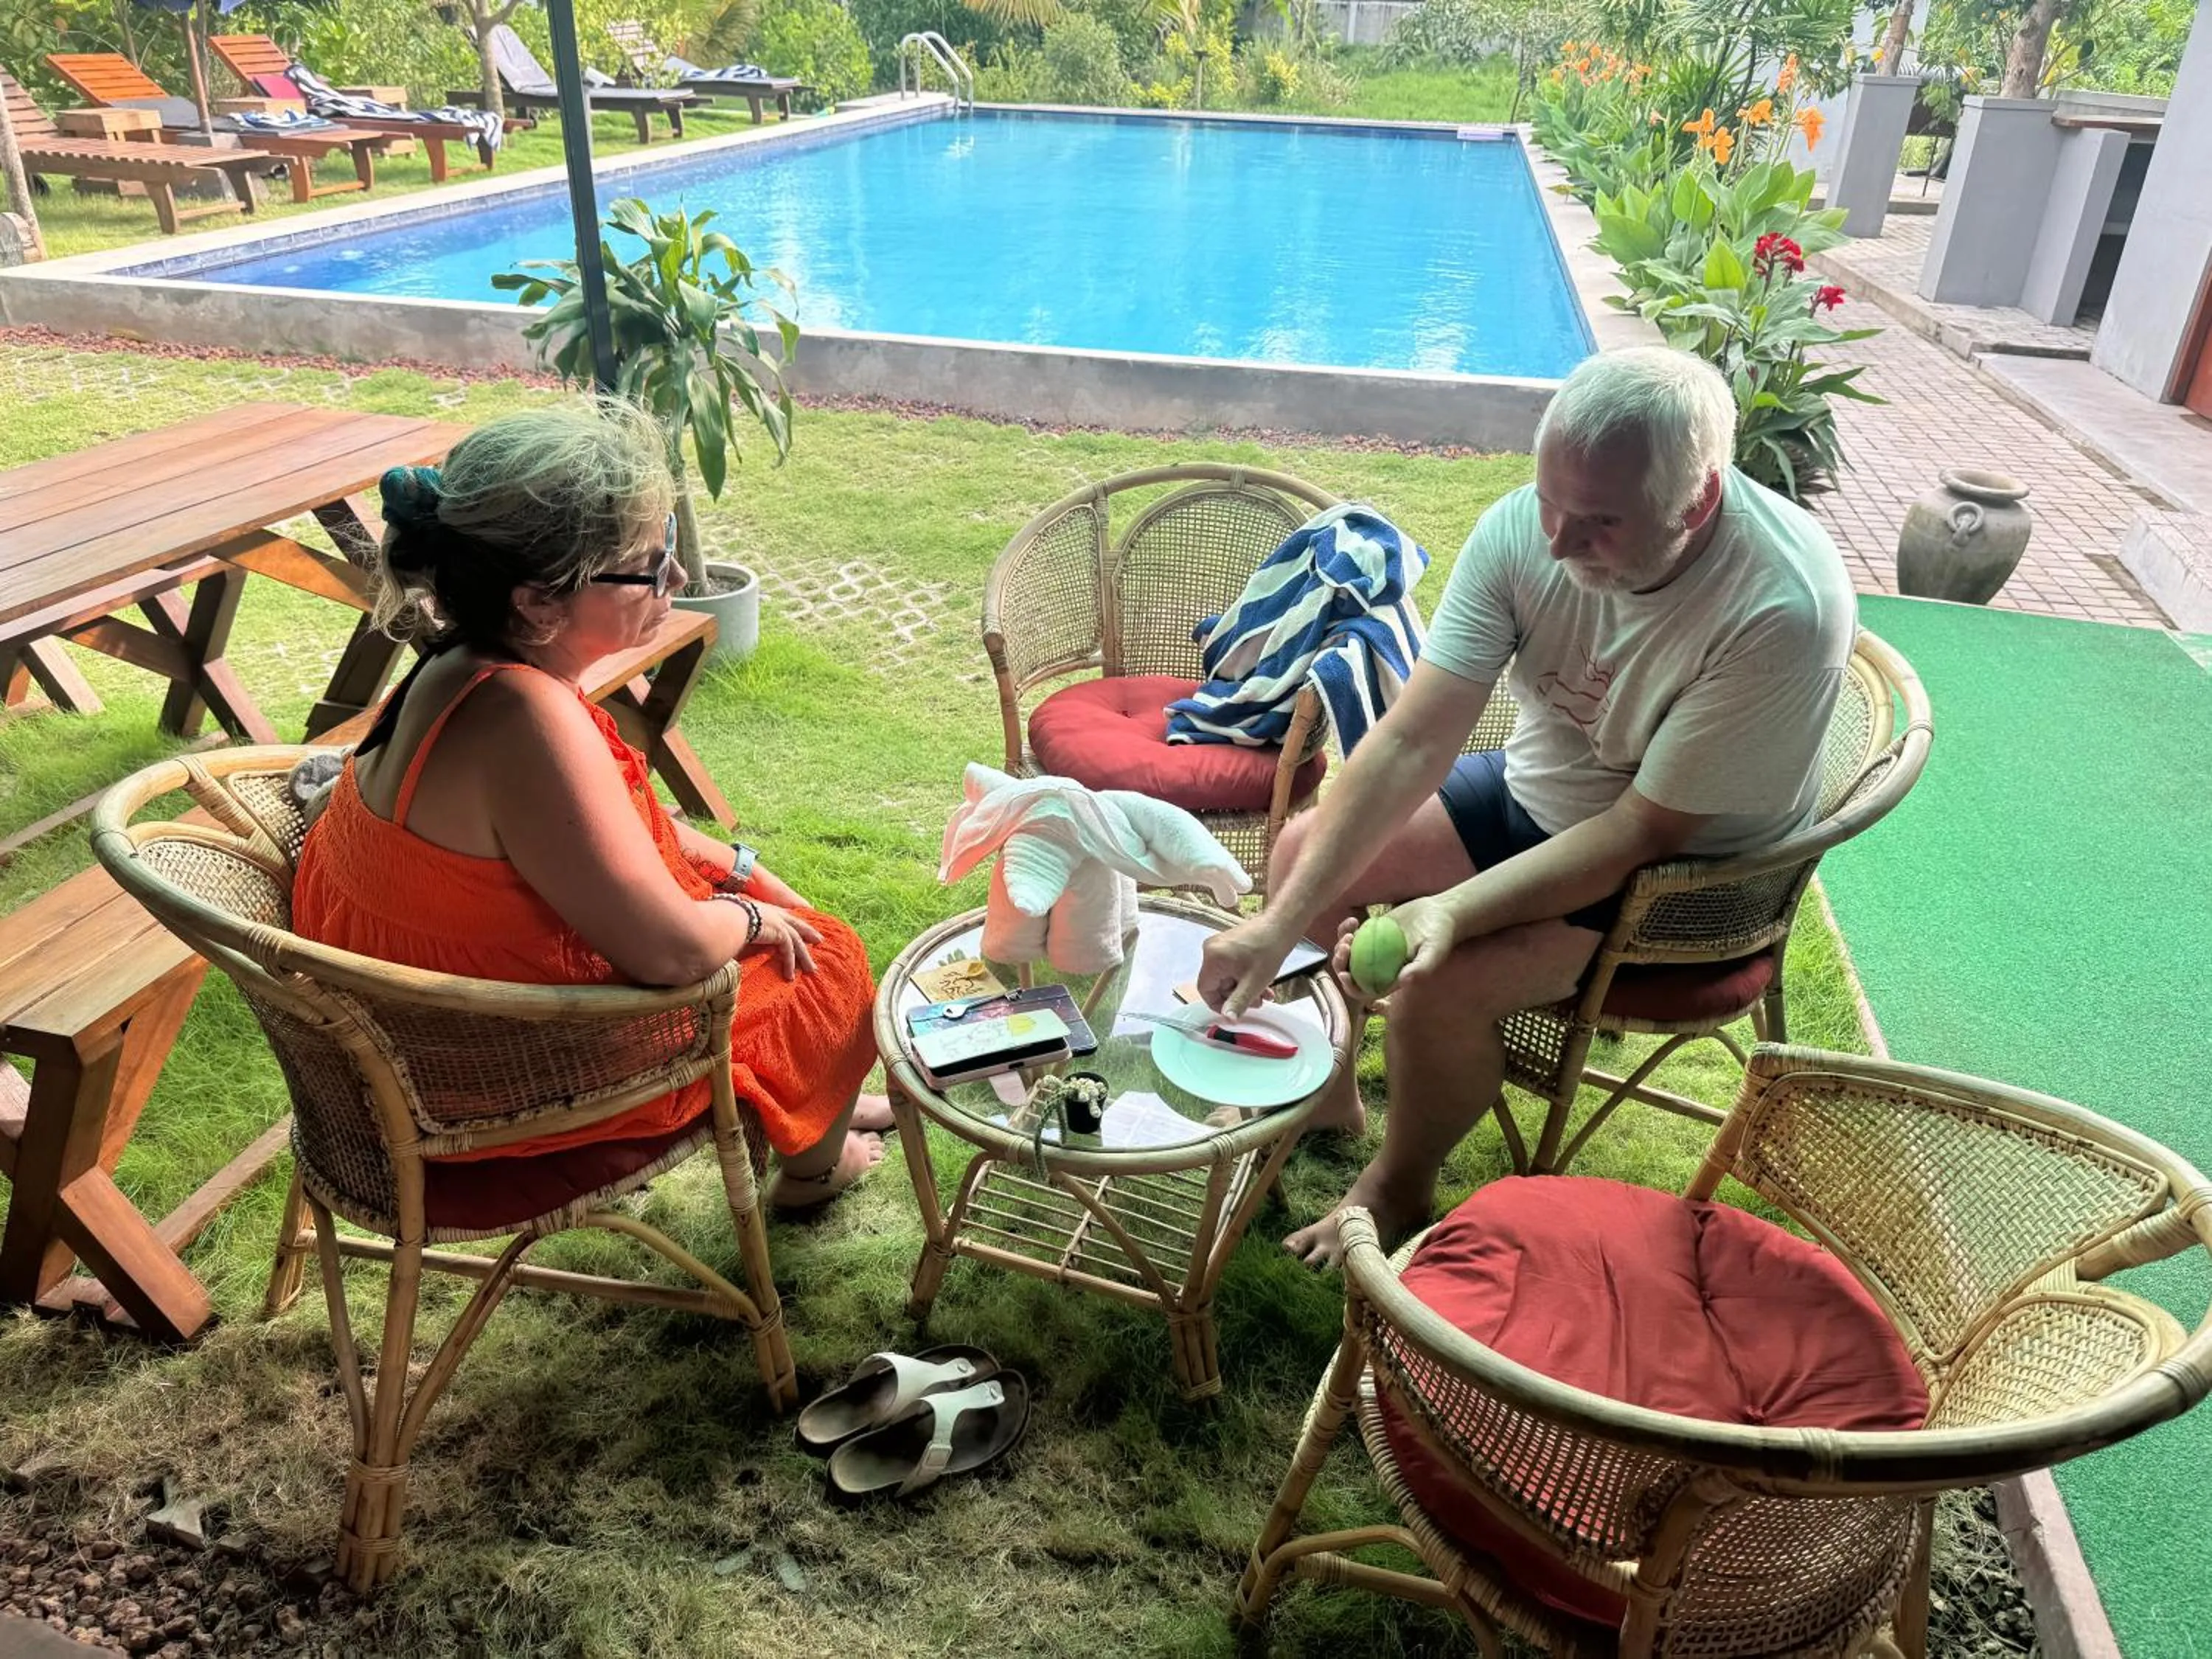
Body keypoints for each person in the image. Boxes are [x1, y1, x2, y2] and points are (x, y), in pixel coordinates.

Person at [1197, 347, 1857, 1267]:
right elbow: (1412, 740)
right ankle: (1334, 1091)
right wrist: (1279, 924)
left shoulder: (1780, 607)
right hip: (1540, 793)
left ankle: (1398, 1186)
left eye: (1597, 522)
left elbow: (1641, 832)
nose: (1555, 540)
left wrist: (1449, 914)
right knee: (1308, 855)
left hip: (1688, 872)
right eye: (1550, 500)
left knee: (1435, 989)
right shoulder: (1527, 528)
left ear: (1698, 501)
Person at [293, 400, 887, 1208]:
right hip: (484, 1085)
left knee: (784, 921)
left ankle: (812, 1107)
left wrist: (747, 869)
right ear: (538, 603)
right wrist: (755, 917)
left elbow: (612, 837)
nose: (676, 580)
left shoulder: (459, 662)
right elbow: (673, 954)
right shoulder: (523, 721)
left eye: (670, 546)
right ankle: (816, 1169)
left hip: (416, 1033)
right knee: (827, 960)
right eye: (649, 565)